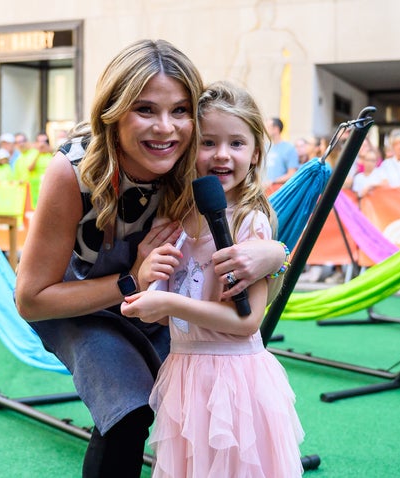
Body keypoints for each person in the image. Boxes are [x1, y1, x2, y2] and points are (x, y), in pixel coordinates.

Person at [14, 39, 287, 478]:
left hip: (157, 303)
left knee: (200, 397)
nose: (165, 128)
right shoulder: (73, 171)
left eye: (180, 111)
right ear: (114, 112)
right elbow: (31, 300)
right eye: (145, 110)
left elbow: (247, 214)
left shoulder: (190, 160)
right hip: (78, 305)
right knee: (130, 408)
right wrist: (131, 281)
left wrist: (276, 252)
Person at [121, 80, 303, 478]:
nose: (222, 155)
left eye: (236, 143)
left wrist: (167, 304)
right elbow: (161, 314)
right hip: (185, 374)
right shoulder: (174, 218)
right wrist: (147, 279)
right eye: (209, 143)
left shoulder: (250, 223)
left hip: (235, 381)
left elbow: (246, 322)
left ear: (255, 153)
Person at [264, 117, 299, 187]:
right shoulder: (265, 147)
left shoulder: (289, 148)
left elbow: (292, 174)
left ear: (276, 129)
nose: (265, 130)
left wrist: (273, 181)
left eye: (268, 127)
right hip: (262, 191)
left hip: (278, 192)